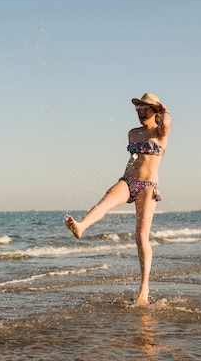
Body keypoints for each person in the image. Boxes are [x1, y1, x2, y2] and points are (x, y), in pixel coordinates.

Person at [65, 93, 171, 306]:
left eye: (146, 108)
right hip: (128, 181)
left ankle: (144, 291)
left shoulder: (160, 132)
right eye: (138, 108)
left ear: (156, 111)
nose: (141, 111)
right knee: (104, 201)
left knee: (141, 236)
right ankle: (81, 226)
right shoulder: (132, 133)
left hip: (147, 186)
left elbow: (166, 124)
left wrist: (164, 108)